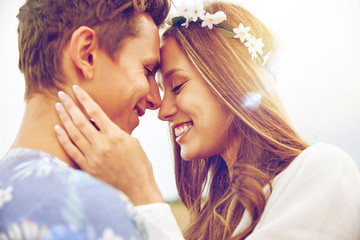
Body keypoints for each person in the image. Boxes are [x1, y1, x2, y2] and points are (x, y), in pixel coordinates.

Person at [53, 1, 360, 240]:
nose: (163, 110)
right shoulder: (213, 216)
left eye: (178, 86)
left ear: (229, 80)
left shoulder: (322, 170)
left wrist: (141, 191)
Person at [0, 0, 184, 239]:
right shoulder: (97, 212)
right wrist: (144, 192)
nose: (155, 100)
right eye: (147, 70)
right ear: (86, 54)